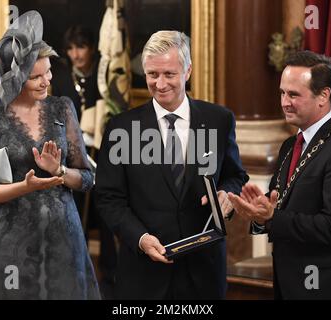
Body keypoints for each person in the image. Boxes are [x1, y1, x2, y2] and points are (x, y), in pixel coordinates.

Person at [95, 30, 249, 299]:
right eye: (153, 74)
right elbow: (109, 198)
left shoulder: (219, 119)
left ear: (187, 71)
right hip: (144, 274)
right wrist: (140, 239)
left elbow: (234, 175)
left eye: (169, 74)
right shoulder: (122, 128)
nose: (160, 83)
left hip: (204, 273)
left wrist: (226, 195)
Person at [0, 11, 101, 300]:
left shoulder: (62, 108)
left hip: (63, 236)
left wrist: (60, 172)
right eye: (35, 77)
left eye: (49, 72)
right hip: (10, 239)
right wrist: (24, 187)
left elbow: (89, 179)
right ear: (13, 78)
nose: (46, 81)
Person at [228, 50, 331, 299]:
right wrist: (260, 211)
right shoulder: (290, 145)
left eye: (294, 94)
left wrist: (273, 217)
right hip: (292, 284)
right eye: (282, 93)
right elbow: (284, 203)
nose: (284, 102)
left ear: (323, 96)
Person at [51, 25, 117, 298]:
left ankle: (111, 268)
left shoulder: (104, 75)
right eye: (71, 48)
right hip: (72, 154)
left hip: (103, 151)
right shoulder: (62, 76)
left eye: (81, 47)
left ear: (91, 48)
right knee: (74, 211)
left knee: (106, 209)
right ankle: (76, 265)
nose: (76, 54)